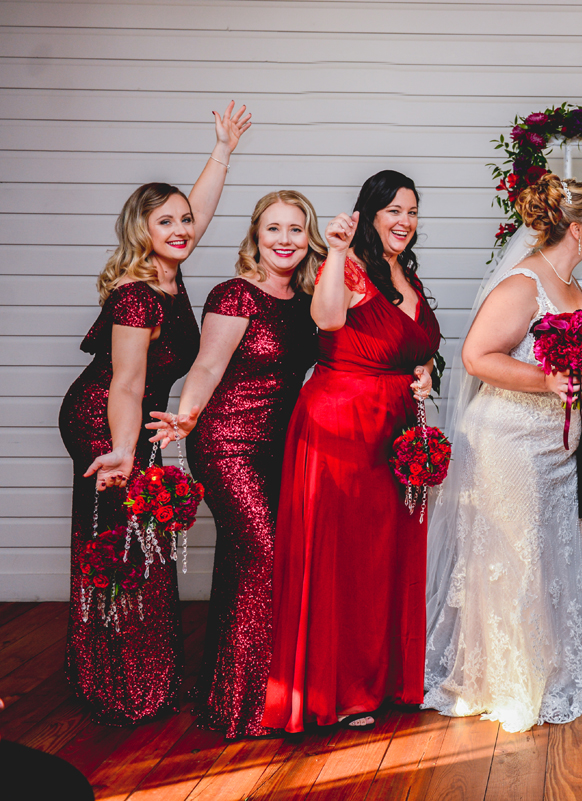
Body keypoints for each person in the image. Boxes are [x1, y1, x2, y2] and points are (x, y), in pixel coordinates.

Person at [57, 102, 249, 725]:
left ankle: (145, 671)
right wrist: (122, 451)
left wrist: (222, 150)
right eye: (164, 221)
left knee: (146, 541)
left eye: (184, 221)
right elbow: (126, 385)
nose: (181, 228)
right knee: (125, 540)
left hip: (134, 418)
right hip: (106, 417)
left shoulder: (172, 272)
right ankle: (121, 683)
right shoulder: (137, 295)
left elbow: (197, 209)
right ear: (141, 230)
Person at [424, 173, 582, 733]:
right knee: (513, 560)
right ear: (576, 229)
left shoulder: (572, 284)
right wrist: (547, 380)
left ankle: (552, 669)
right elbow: (478, 356)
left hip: (553, 449)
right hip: (508, 442)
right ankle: (507, 678)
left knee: (551, 555)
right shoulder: (524, 283)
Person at [262, 170, 440, 733]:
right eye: (393, 211)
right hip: (343, 422)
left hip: (394, 427)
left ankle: (386, 679)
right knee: (347, 558)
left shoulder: (403, 273)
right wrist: (336, 251)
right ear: (367, 215)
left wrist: (425, 372)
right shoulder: (348, 266)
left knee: (386, 555)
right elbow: (328, 319)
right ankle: (339, 689)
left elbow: (413, 345)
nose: (404, 222)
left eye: (412, 211)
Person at [146, 191, 324, 739]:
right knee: (263, 555)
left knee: (252, 562)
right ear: (256, 236)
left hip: (280, 446)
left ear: (309, 237)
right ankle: (242, 707)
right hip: (227, 443)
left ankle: (249, 691)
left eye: (296, 229)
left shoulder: (309, 300)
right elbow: (205, 365)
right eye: (274, 229)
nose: (285, 240)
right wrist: (186, 416)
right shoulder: (235, 295)